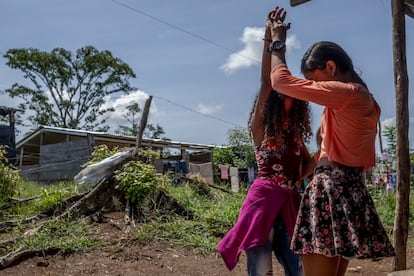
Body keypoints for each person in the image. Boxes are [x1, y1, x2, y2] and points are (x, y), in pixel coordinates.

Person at [267, 6, 395, 276]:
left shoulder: (348, 94)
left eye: (315, 81)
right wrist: (302, 173)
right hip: (350, 190)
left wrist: (277, 42)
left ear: (331, 67)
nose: (314, 89)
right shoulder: (365, 101)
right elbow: (329, 153)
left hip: (329, 193)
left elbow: (279, 81)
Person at [217, 11, 314, 276]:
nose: (288, 100)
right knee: (261, 271)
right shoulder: (260, 130)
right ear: (271, 103)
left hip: (290, 203)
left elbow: (311, 163)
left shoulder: (295, 135)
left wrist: (297, 180)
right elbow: (266, 82)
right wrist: (269, 40)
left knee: (299, 268)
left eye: (293, 98)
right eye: (283, 96)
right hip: (261, 204)